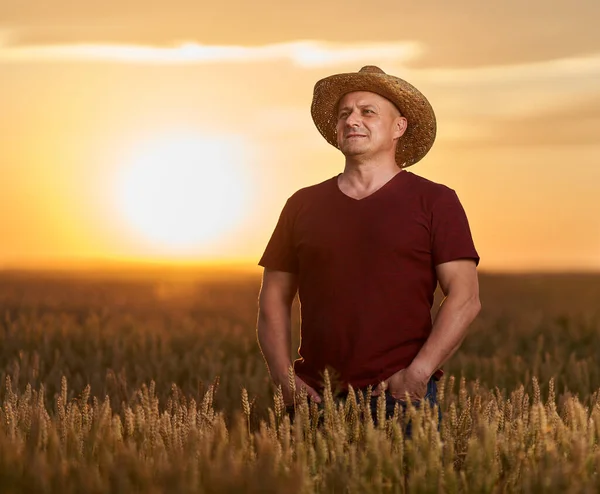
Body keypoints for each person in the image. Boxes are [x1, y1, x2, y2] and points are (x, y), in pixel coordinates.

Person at [256, 66, 481, 424]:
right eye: (344, 113)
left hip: (400, 395)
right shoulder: (302, 204)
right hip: (315, 397)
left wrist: (418, 374)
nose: (352, 120)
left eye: (367, 112)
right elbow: (272, 300)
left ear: (398, 127)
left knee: (405, 482)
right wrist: (286, 383)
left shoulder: (435, 201)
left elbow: (466, 297)